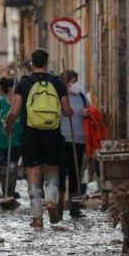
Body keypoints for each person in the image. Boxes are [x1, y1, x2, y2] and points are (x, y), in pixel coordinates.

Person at [5, 48, 72, 229]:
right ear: (47, 62)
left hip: (31, 134)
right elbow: (67, 111)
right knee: (52, 171)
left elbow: (15, 111)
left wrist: (7, 124)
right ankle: (51, 200)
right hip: (53, 133)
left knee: (33, 175)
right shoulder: (57, 82)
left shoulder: (24, 83)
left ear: (31, 63)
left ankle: (37, 216)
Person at [58, 70, 90, 219]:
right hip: (62, 140)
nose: (75, 84)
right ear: (66, 82)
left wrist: (88, 113)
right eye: (73, 81)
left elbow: (90, 111)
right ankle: (58, 205)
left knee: (75, 174)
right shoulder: (58, 97)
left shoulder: (81, 97)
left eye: (76, 81)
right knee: (61, 172)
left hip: (79, 140)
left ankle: (74, 207)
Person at [0, 76, 21, 202]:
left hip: (16, 143)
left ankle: (9, 194)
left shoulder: (20, 105)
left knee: (11, 169)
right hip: (0, 143)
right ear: (9, 90)